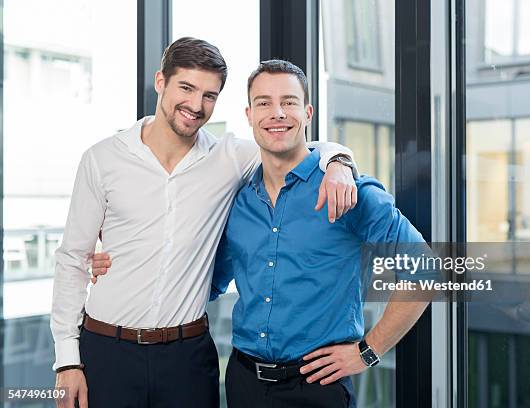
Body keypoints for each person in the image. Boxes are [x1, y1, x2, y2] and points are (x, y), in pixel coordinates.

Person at [94, 59, 435, 408]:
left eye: (288, 102)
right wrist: (124, 263)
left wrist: (367, 352)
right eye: (264, 103)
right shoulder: (237, 202)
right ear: (249, 114)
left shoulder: (349, 193)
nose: (277, 113)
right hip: (244, 383)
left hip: (316, 388)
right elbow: (199, 282)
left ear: (307, 113)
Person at [52, 38, 358, 408]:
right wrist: (67, 359)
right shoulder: (103, 159)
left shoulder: (230, 158)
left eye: (210, 95)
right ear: (160, 81)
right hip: (106, 350)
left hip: (187, 359)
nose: (196, 106)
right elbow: (72, 259)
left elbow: (297, 147)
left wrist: (339, 162)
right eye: (187, 88)